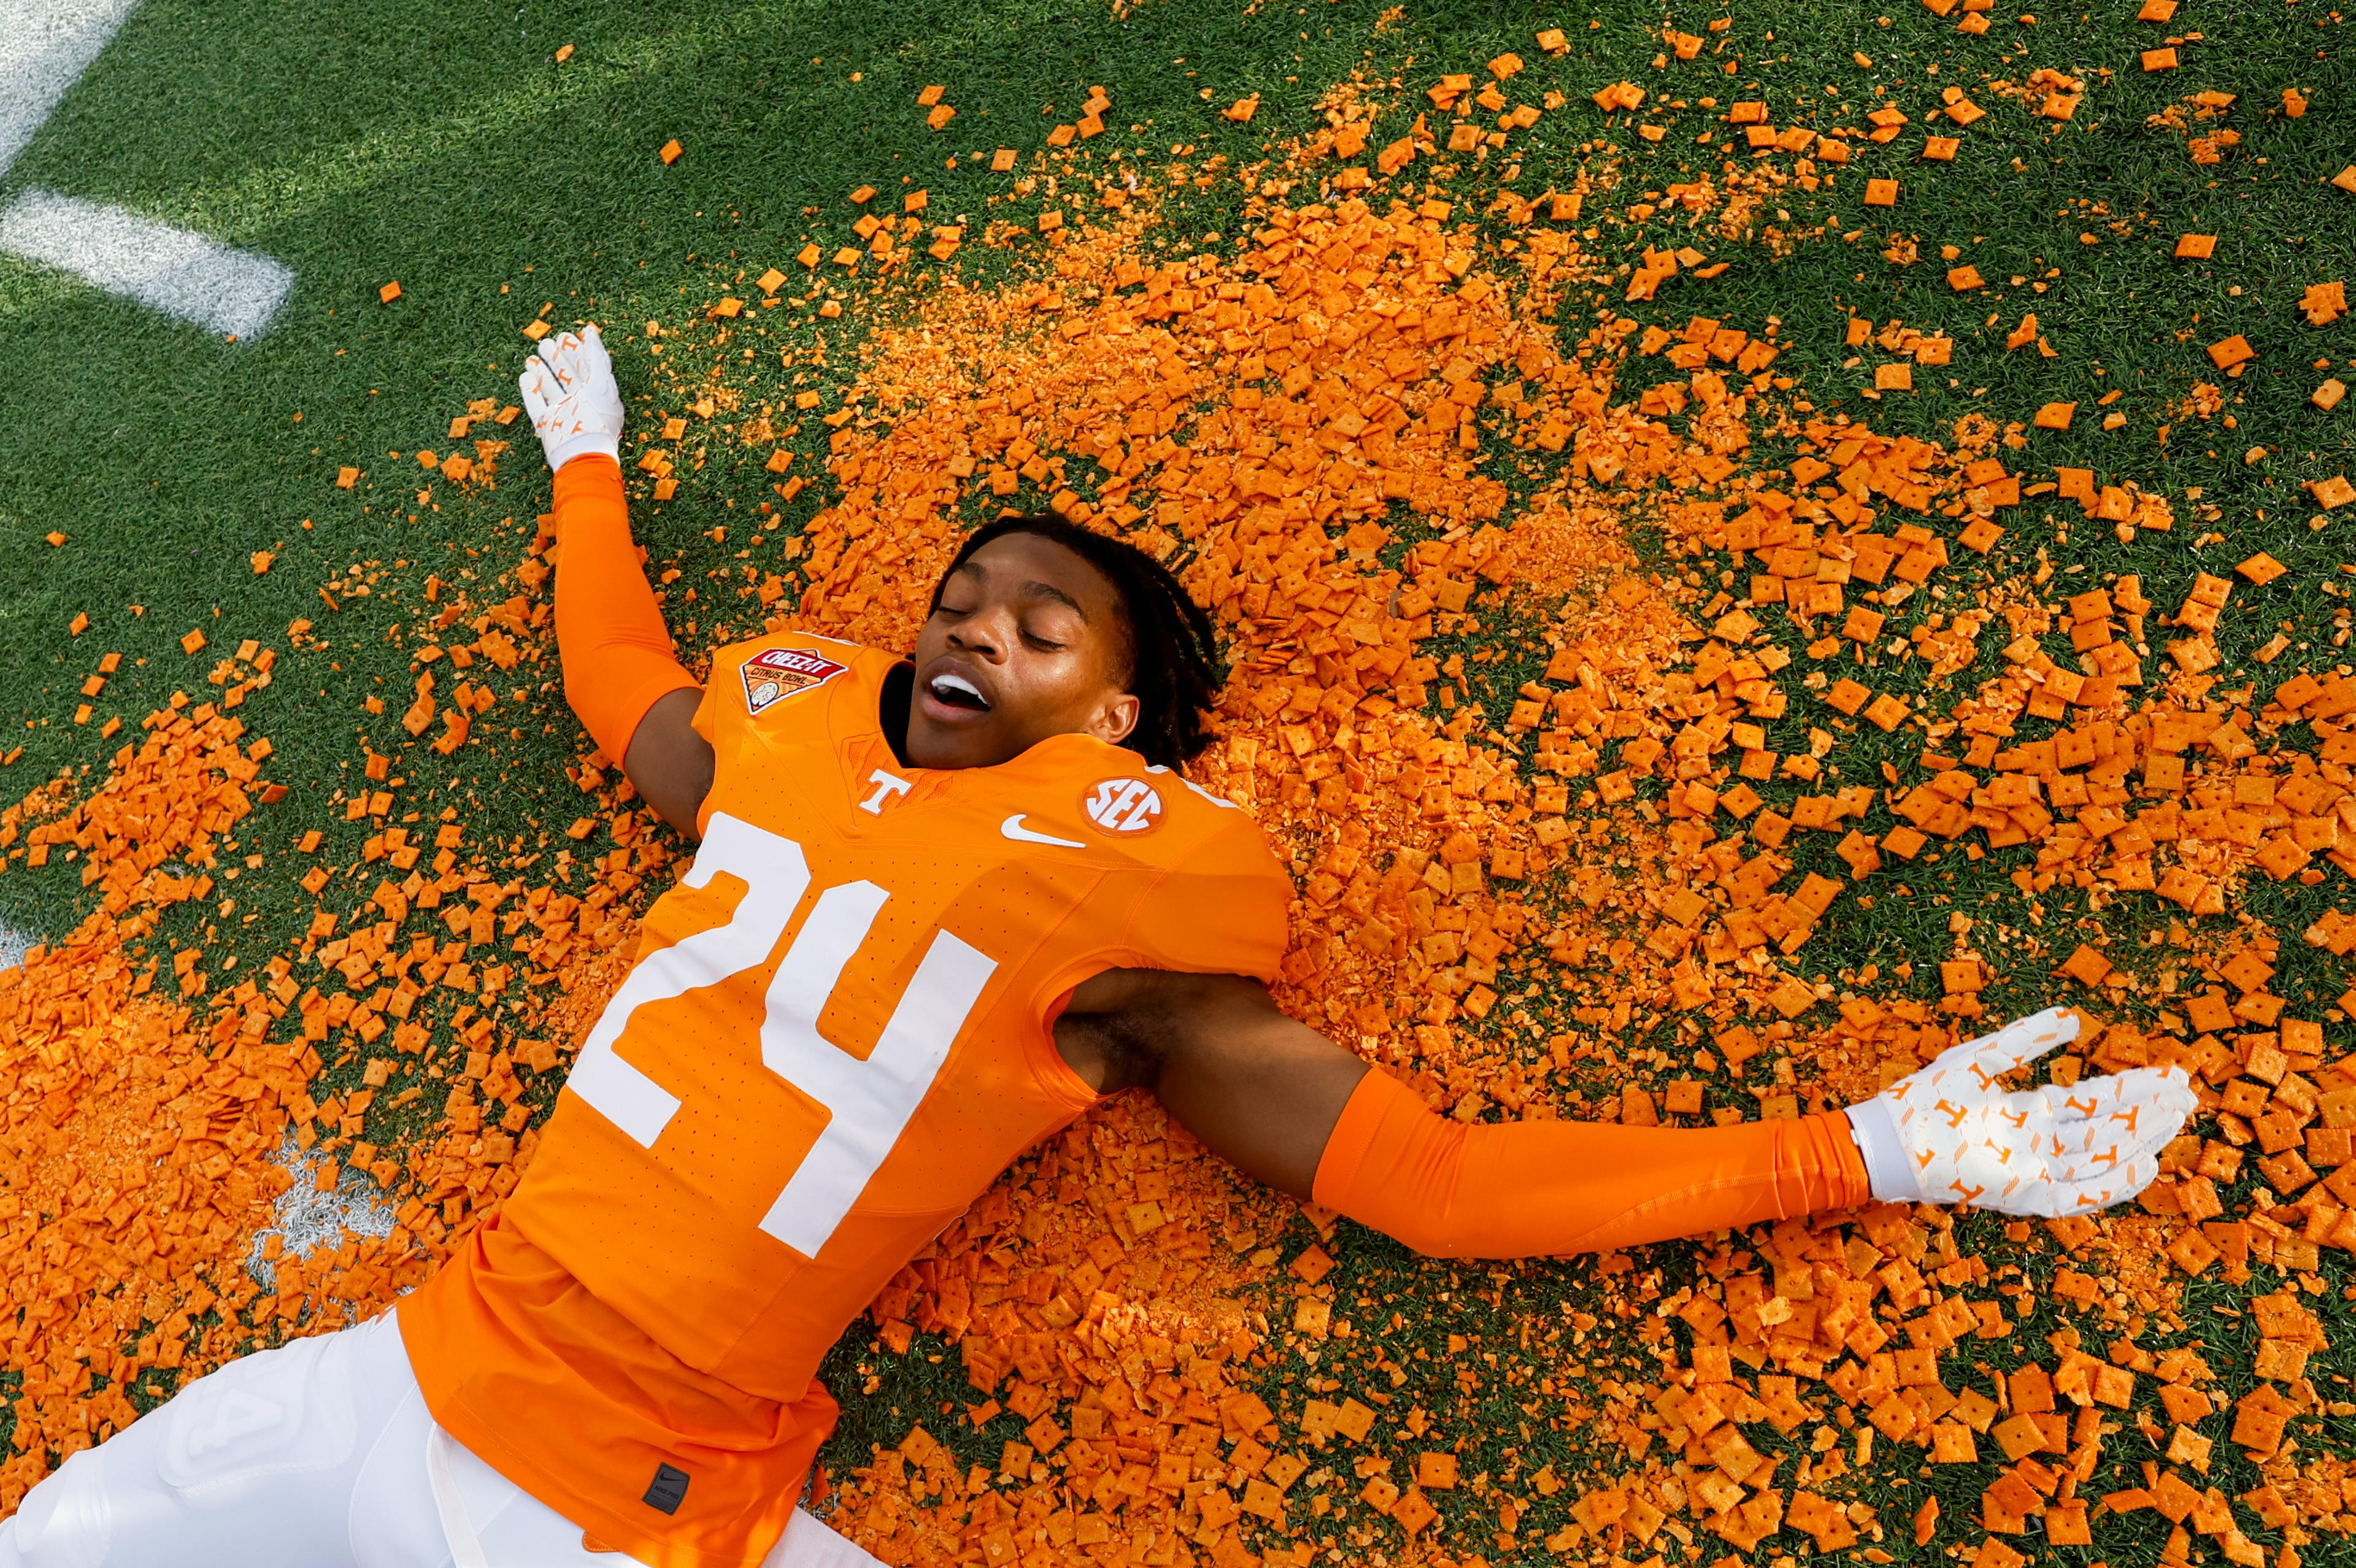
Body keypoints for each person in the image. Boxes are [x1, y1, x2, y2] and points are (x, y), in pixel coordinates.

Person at [0, 328, 2199, 1568]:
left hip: (635, 1505)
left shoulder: (1133, 901)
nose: (977, 623)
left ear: (1122, 717)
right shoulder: (784, 749)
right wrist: (587, 474)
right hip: (400, 1362)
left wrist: (1862, 1154)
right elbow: (629, 692)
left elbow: (1421, 1180)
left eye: (1043, 623)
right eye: (964, 595)